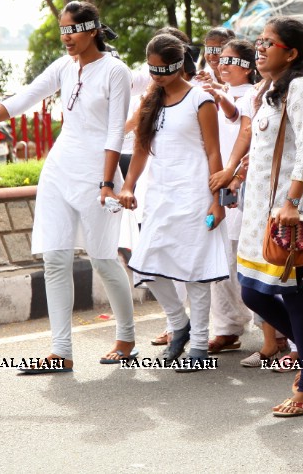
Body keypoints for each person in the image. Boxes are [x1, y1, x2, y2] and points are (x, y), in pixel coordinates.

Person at [0, 1, 135, 372]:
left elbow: (116, 130)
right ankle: (61, 351)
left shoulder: (116, 71)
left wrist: (106, 182)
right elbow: (23, 99)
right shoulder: (63, 67)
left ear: (92, 30)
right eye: (62, 30)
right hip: (59, 169)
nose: (66, 38)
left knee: (102, 259)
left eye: (72, 30)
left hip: (96, 174)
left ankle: (127, 336)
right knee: (55, 258)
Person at [233, 18, 303, 417]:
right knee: (252, 292)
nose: (259, 49)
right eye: (258, 43)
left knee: (295, 296)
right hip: (264, 209)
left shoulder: (301, 88)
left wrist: (293, 202)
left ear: (291, 53)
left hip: (294, 209)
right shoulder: (270, 89)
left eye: (268, 43)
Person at [119, 33, 228, 371]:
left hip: (196, 194)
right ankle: (178, 323)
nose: (158, 76)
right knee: (146, 264)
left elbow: (214, 152)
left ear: (180, 65)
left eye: (164, 69)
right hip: (160, 196)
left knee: (195, 271)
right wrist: (128, 186)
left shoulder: (200, 100)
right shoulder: (150, 102)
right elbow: (139, 149)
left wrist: (217, 201)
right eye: (153, 70)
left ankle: (199, 345)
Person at [199, 39, 259, 353]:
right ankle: (228, 326)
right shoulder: (205, 95)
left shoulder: (254, 95)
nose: (223, 65)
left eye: (231, 60)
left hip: (244, 183)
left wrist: (236, 176)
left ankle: (271, 326)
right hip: (217, 183)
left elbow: (240, 122)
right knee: (221, 257)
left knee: (248, 256)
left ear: (249, 66)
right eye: (221, 59)